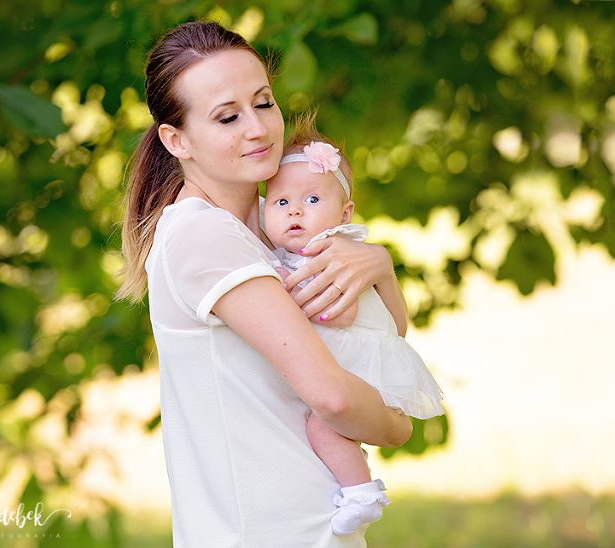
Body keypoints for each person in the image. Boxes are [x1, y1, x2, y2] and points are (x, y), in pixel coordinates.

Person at [116, 20, 412, 547]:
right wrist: (397, 426)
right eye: (228, 117)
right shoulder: (203, 236)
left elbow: (372, 338)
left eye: (264, 103)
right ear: (175, 139)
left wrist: (379, 265)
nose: (257, 128)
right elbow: (334, 397)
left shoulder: (277, 227)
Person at [263, 115, 445, 535]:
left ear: (345, 213)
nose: (294, 211)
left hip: (354, 362)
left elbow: (339, 313)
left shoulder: (330, 250)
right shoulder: (295, 253)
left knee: (321, 427)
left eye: (312, 200)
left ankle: (362, 492)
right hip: (348, 361)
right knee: (329, 430)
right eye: (281, 202)